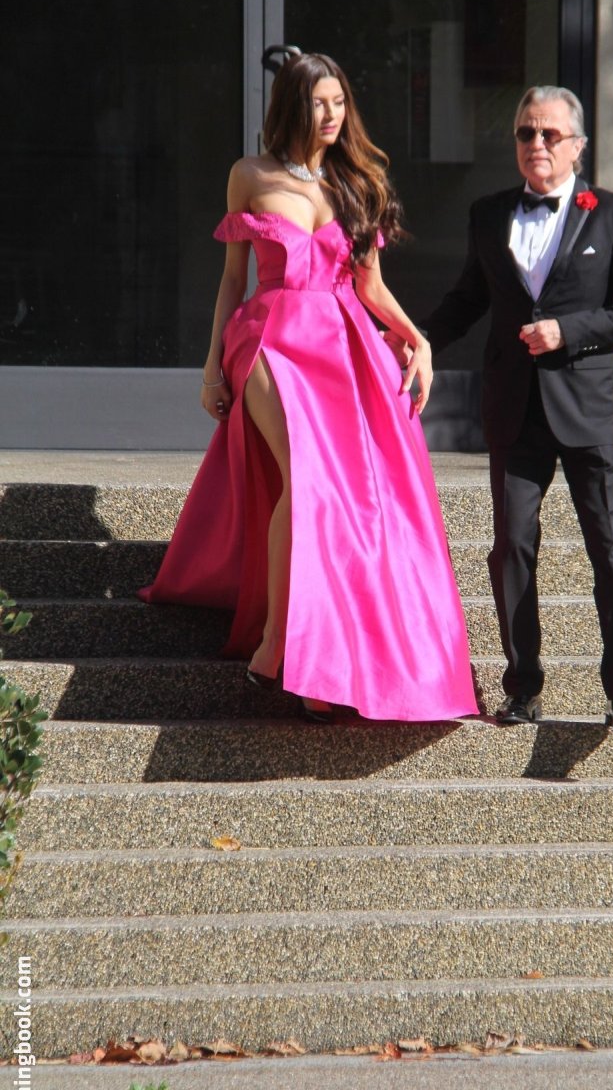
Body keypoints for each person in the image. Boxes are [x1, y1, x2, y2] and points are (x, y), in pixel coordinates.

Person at [140, 50, 478, 723]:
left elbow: (371, 287)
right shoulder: (248, 174)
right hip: (266, 336)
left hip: (340, 345)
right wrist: (211, 368)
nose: (332, 115)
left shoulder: (358, 183)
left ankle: (327, 655)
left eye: (339, 102)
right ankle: (275, 641)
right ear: (291, 106)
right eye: (319, 102)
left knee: (348, 492)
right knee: (309, 476)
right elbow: (232, 280)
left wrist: (418, 338)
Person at [420, 85, 613, 731]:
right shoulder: (488, 213)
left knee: (607, 548)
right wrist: (414, 343)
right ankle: (522, 688)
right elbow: (468, 298)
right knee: (511, 547)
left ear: (577, 145)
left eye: (549, 134)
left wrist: (569, 330)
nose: (536, 143)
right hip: (513, 407)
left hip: (586, 408)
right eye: (526, 132)